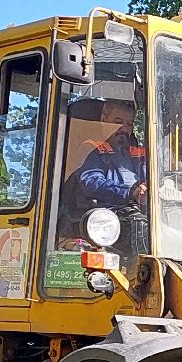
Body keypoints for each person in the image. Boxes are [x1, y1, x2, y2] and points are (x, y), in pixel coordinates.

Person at [61, 97, 148, 250]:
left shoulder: (137, 154)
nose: (124, 128)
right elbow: (91, 182)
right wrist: (130, 192)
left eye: (129, 124)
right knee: (139, 226)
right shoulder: (91, 149)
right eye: (118, 122)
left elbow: (149, 177)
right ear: (103, 120)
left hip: (132, 211)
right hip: (103, 215)